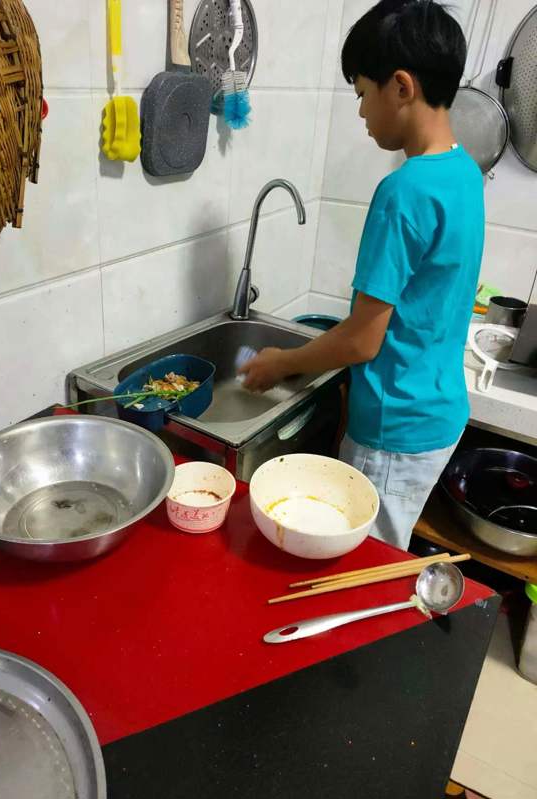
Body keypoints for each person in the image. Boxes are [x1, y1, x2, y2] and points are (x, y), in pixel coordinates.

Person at [239, 0, 485, 551]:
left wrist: (282, 362)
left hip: (395, 427)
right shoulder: (463, 171)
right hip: (437, 409)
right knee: (380, 555)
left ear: (400, 87)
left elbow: (361, 341)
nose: (360, 113)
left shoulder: (404, 191)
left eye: (361, 94)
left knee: (361, 573)